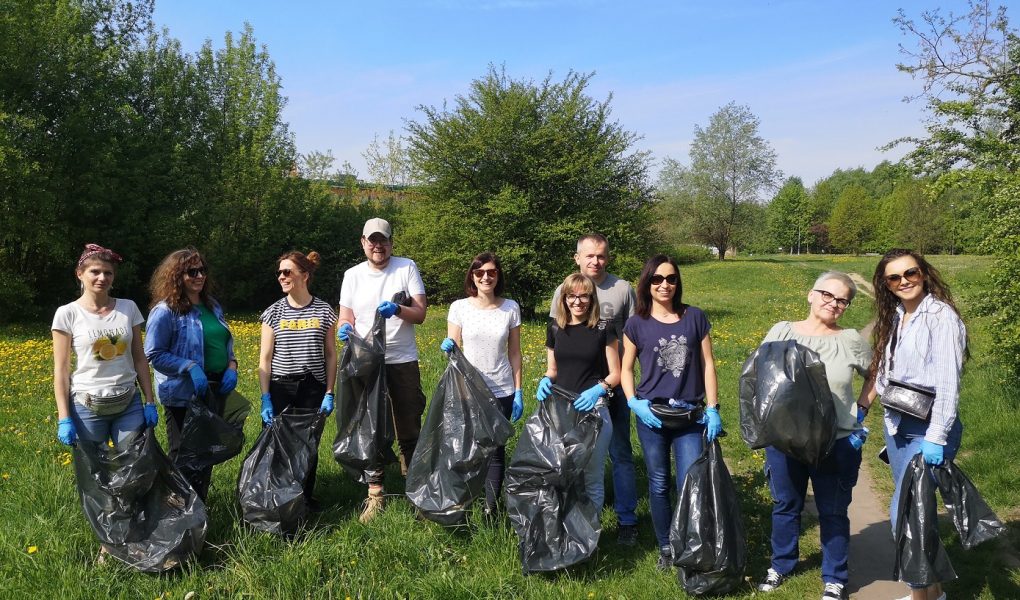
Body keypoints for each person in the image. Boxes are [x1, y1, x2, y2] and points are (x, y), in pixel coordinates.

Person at [754, 271, 871, 600]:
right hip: (786, 440)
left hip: (836, 442)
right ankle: (781, 564)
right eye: (827, 295)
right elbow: (762, 372)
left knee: (833, 510)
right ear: (811, 294)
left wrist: (861, 408)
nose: (834, 304)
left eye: (842, 300)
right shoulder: (782, 331)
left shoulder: (849, 340)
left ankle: (834, 577)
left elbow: (875, 374)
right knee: (786, 505)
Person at [862, 249, 966, 600]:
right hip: (897, 427)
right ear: (886, 284)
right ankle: (930, 591)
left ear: (923, 274)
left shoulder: (941, 318)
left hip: (928, 430)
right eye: (895, 277)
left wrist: (936, 438)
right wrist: (862, 409)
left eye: (911, 273)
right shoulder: (894, 317)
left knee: (903, 516)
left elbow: (949, 385)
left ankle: (925, 594)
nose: (904, 281)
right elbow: (885, 372)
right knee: (917, 516)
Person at [52, 244, 158, 558]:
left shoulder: (128, 308)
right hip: (87, 408)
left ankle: (134, 536)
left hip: (128, 403)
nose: (102, 278)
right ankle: (108, 545)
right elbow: (61, 370)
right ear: (80, 275)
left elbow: (140, 358)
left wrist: (149, 400)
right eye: (95, 272)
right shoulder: (67, 314)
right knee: (98, 480)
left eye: (108, 273)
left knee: (132, 474)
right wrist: (63, 416)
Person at [620, 254, 723, 571]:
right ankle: (666, 546)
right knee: (659, 483)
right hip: (651, 414)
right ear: (647, 283)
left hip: (689, 416)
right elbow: (625, 369)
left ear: (678, 283)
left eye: (671, 278)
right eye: (657, 279)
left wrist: (713, 407)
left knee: (689, 482)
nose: (664, 284)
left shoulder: (694, 317)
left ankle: (689, 543)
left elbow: (707, 365)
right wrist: (632, 401)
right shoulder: (636, 323)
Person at [549, 233, 640, 545]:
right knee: (571, 458)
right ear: (578, 258)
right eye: (589, 256)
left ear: (608, 257)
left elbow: (635, 336)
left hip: (612, 389)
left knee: (620, 452)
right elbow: (558, 337)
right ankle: (570, 523)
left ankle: (626, 519)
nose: (595, 261)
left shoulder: (623, 289)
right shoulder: (564, 289)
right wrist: (548, 382)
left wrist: (616, 380)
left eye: (601, 255)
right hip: (573, 394)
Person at [338, 217, 428, 522]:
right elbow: (345, 317)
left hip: (401, 360)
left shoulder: (406, 268)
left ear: (391, 242)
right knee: (371, 427)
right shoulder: (352, 276)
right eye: (372, 240)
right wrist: (345, 328)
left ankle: (416, 490)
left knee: (409, 423)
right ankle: (375, 495)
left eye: (384, 240)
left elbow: (420, 314)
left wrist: (398, 310)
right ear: (363, 242)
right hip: (367, 363)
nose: (379, 246)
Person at [144, 247, 238, 500]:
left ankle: (199, 508)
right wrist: (189, 367)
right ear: (176, 275)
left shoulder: (213, 306)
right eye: (191, 272)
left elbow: (223, 344)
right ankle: (179, 514)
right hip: (184, 393)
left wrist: (232, 365)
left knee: (206, 451)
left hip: (215, 388)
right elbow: (153, 353)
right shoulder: (165, 311)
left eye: (202, 270)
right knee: (184, 454)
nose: (199, 276)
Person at [440, 252, 524, 515]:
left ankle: (490, 508)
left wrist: (519, 391)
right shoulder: (459, 307)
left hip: (502, 389)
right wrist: (448, 347)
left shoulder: (510, 307)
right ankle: (464, 503)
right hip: (468, 389)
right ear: (472, 276)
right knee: (468, 448)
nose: (486, 277)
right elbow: (452, 347)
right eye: (480, 273)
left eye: (491, 272)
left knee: (496, 450)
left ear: (498, 275)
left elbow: (515, 352)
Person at [258, 250, 337, 510]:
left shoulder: (324, 311)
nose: (281, 276)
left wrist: (329, 392)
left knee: (307, 446)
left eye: (287, 271)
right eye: (280, 272)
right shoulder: (273, 313)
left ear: (304, 275)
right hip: (280, 387)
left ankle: (303, 500)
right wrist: (265, 397)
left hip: (312, 388)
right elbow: (265, 359)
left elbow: (330, 355)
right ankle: (274, 502)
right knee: (278, 447)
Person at [538, 273, 620, 519]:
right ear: (563, 299)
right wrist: (545, 380)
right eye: (572, 296)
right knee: (563, 473)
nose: (578, 301)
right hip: (561, 411)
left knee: (592, 477)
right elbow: (552, 369)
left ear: (592, 298)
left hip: (594, 410)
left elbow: (616, 374)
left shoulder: (604, 328)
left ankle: (590, 535)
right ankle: (565, 530)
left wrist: (599, 388)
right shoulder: (555, 328)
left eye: (584, 295)